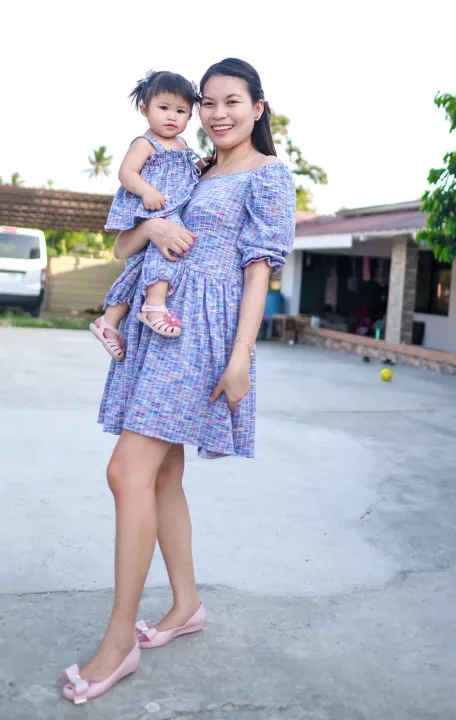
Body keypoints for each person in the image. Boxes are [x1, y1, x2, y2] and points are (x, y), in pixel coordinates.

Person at [61, 58, 296, 704]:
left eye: (231, 102)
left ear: (257, 107)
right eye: (208, 103)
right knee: (161, 473)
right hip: (158, 321)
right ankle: (185, 604)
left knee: (125, 472)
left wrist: (241, 356)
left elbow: (259, 270)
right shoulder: (189, 167)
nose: (217, 114)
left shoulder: (268, 176)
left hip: (203, 331)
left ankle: (119, 643)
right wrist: (154, 225)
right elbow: (121, 250)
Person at [90, 71, 203, 362]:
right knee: (171, 246)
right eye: (163, 108)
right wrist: (147, 191)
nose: (171, 117)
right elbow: (126, 172)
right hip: (153, 209)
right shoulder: (145, 142)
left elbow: (193, 171)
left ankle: (109, 321)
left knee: (136, 269)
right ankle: (154, 305)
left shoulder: (184, 147)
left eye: (180, 111)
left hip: (169, 208)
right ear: (145, 109)